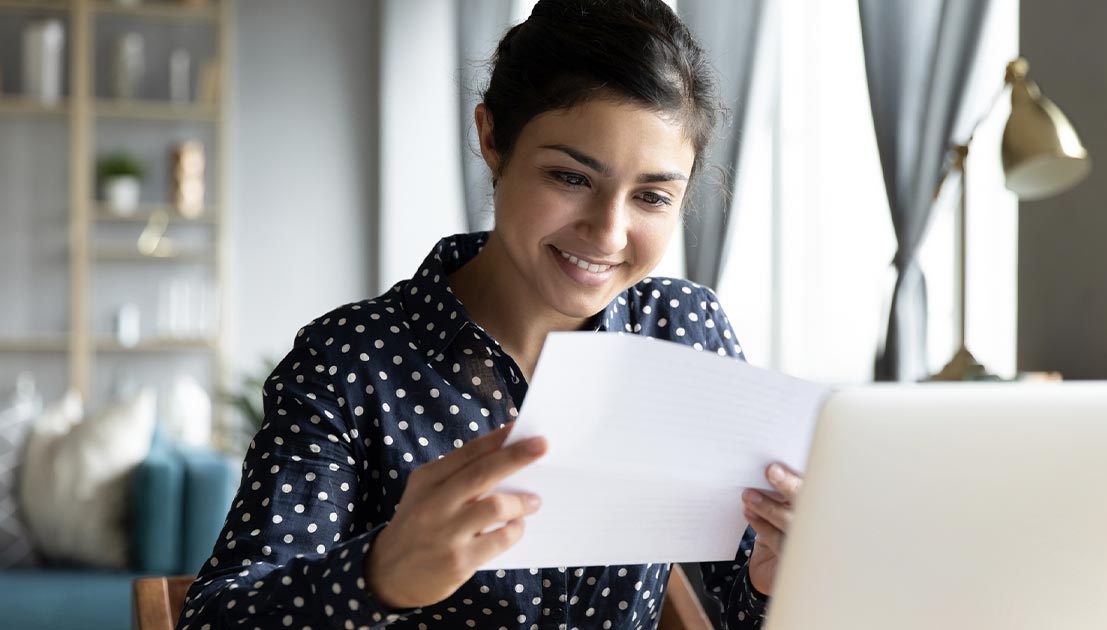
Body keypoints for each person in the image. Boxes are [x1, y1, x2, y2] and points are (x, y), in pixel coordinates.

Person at [178, 1, 802, 628]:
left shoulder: (683, 334)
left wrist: (779, 580)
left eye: (652, 196)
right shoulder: (348, 360)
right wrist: (379, 575)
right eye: (571, 177)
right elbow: (212, 617)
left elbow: (745, 606)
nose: (609, 234)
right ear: (492, 139)